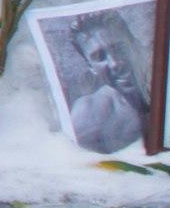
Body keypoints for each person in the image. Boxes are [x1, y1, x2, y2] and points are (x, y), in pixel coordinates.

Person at [64, 11, 149, 154]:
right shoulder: (87, 115)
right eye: (99, 57)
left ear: (135, 45)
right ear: (91, 66)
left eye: (119, 49)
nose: (115, 63)